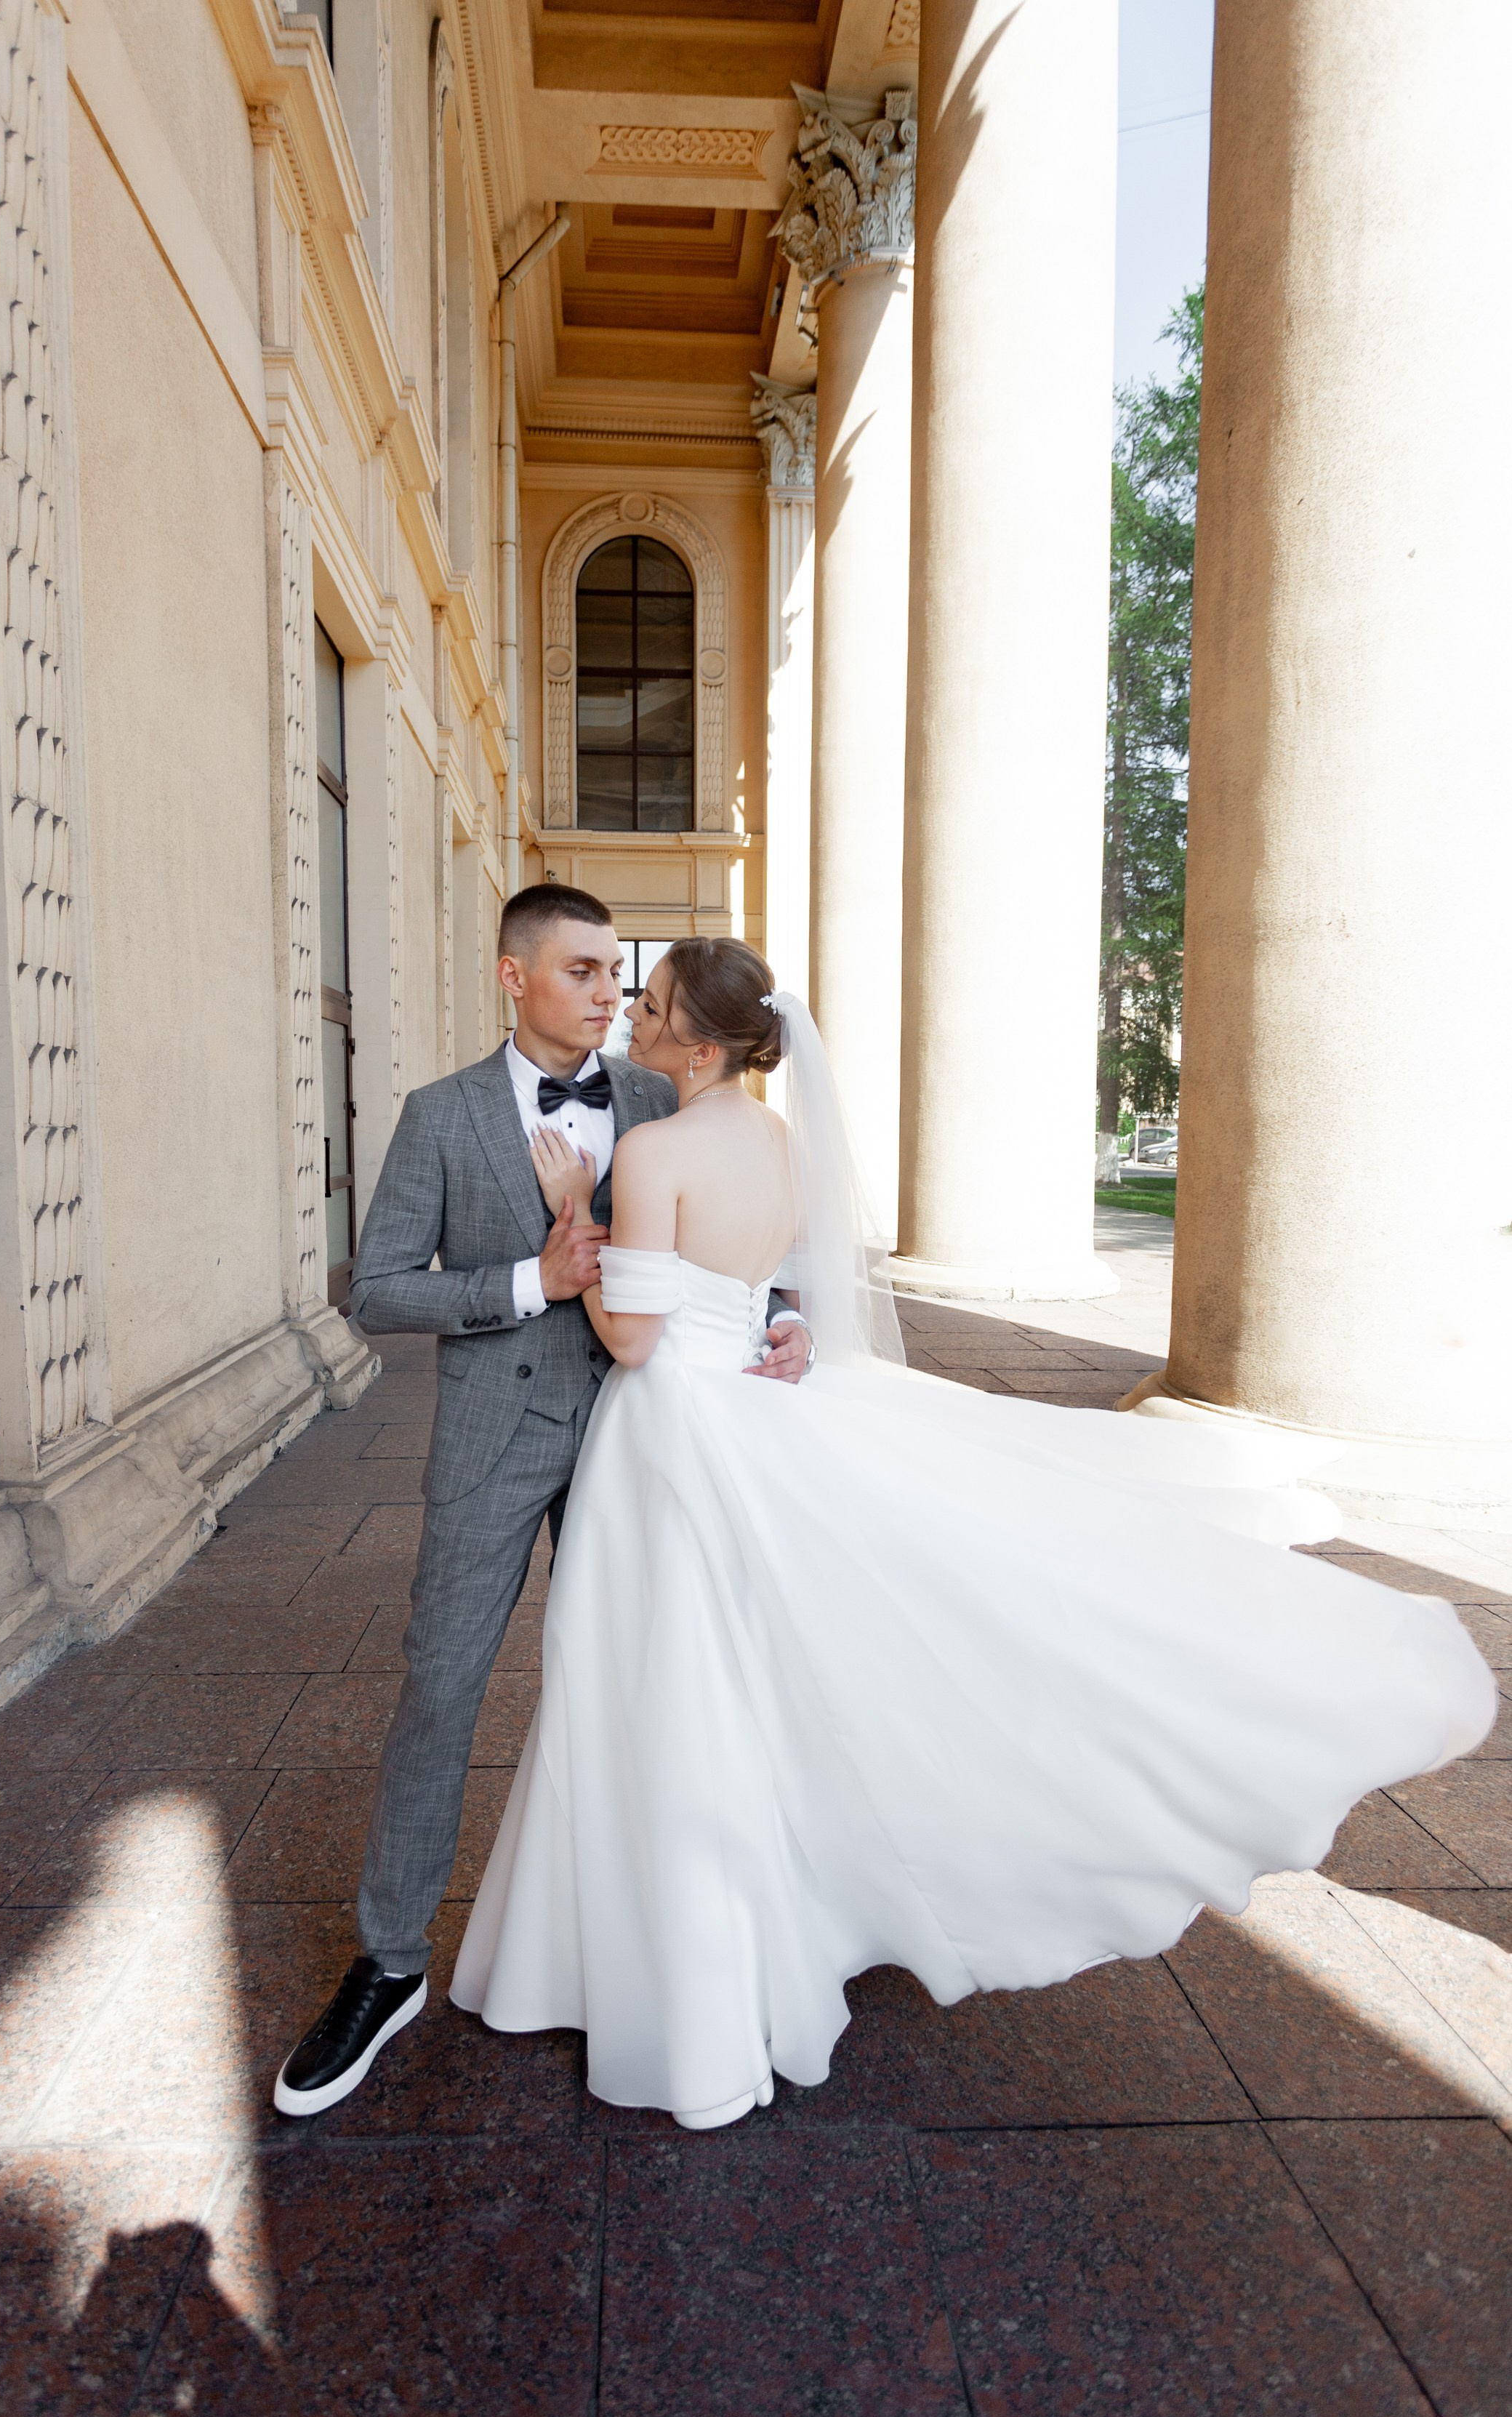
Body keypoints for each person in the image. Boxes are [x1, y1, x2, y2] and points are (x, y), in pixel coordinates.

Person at [449, 937, 1496, 2131]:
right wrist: (771, 1319)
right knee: (729, 1676)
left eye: (652, 1002)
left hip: (672, 1425)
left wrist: (573, 1220)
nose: (631, 1014)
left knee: (663, 1681)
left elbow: (633, 1338)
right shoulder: (778, 1140)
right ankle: (736, 1926)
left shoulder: (648, 1149)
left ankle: (665, 1954)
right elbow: (760, 1284)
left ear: (697, 1044)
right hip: (746, 1398)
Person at [273, 889, 812, 2114]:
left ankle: (622, 1955)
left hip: (647, 1442)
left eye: (617, 973)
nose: (609, 991)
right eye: (580, 969)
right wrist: (530, 1275)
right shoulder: (440, 1116)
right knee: (443, 1682)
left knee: (648, 1694)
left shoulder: (662, 1098)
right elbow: (380, 1292)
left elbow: (737, 1253)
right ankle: (390, 1962)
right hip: (497, 1438)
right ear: (513, 977)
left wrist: (787, 1323)